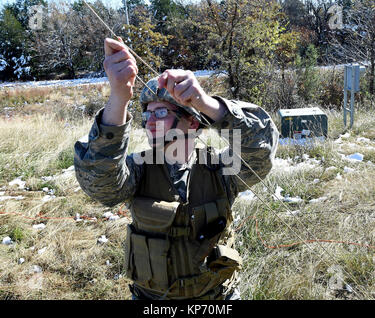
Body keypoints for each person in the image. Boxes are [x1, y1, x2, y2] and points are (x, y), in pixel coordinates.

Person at [74, 38, 279, 300]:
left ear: (192, 123)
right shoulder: (138, 170)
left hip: (217, 298)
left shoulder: (221, 170)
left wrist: (205, 103)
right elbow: (101, 184)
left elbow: (260, 146)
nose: (150, 122)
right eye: (147, 114)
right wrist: (119, 96)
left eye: (161, 113)